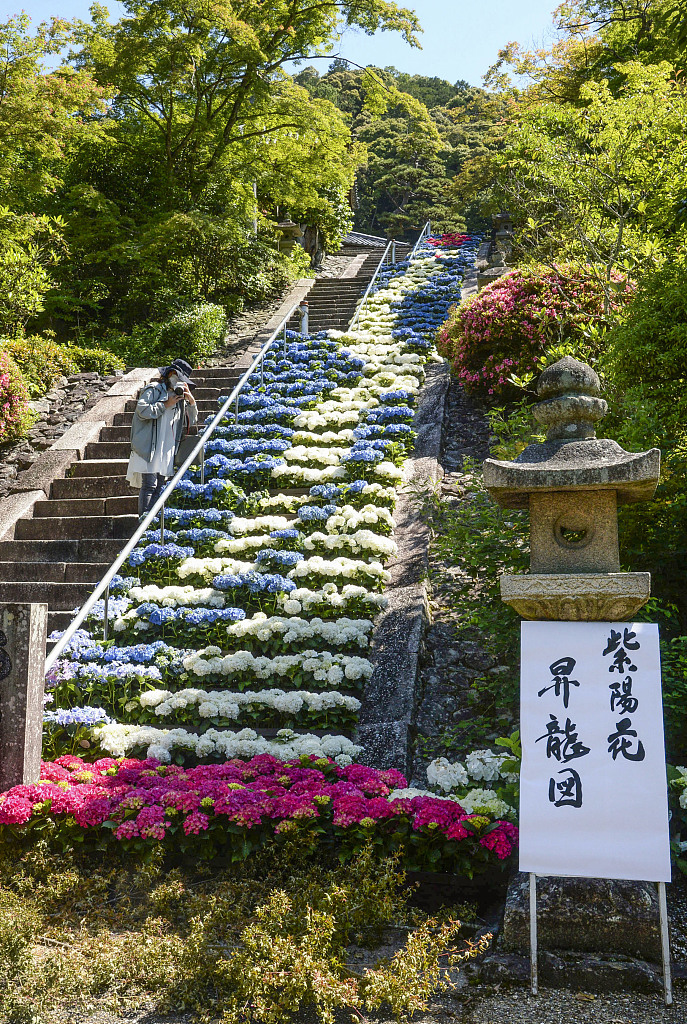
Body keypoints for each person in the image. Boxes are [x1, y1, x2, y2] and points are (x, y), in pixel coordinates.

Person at [126, 358, 198, 516]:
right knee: (149, 485)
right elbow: (142, 411)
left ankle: (152, 522)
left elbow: (192, 421)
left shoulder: (180, 398)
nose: (178, 381)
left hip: (167, 447)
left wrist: (191, 401)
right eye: (177, 377)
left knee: (160, 486)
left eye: (182, 380)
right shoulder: (153, 389)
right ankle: (143, 523)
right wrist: (165, 404)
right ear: (170, 374)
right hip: (150, 446)